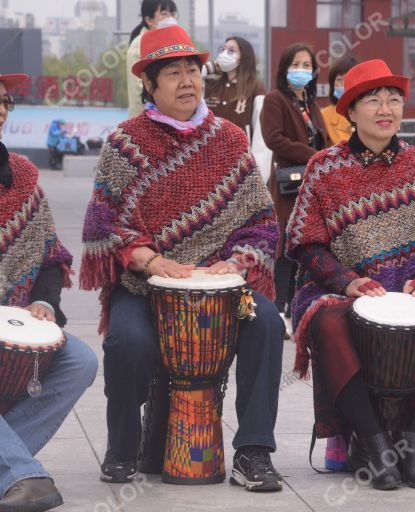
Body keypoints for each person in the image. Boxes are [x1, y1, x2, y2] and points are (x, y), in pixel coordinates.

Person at [80, 25, 285, 492]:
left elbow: (261, 221)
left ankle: (253, 452)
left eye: (193, 69)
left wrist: (236, 263)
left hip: (222, 286)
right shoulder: (124, 143)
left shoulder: (230, 140)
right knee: (125, 343)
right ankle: (121, 447)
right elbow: (101, 225)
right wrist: (149, 260)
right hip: (143, 285)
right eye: (172, 72)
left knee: (268, 324)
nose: (187, 81)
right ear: (149, 85)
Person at [287, 59, 415, 491]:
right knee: (329, 323)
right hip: (343, 290)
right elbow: (304, 242)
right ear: (351, 111)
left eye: (393, 99)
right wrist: (345, 281)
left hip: (412, 294)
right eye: (373, 99)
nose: (385, 108)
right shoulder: (323, 167)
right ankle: (373, 444)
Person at [0, 72, 98, 512]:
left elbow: (50, 255)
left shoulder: (20, 175)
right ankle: (23, 474)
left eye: (5, 102)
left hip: (15, 319)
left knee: (80, 360)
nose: (2, 109)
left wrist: (42, 301)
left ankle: (13, 466)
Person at [260, 43, 328, 319]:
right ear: (284, 68)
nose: (301, 70)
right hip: (289, 182)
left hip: (312, 184)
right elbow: (273, 138)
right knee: (285, 240)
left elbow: (323, 140)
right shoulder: (275, 99)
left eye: (307, 65)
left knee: (305, 241)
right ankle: (277, 307)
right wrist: (313, 155)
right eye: (296, 64)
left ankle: (294, 306)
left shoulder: (310, 105)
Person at [203, 36, 270, 182]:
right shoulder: (211, 86)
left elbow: (261, 136)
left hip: (240, 167)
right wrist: (211, 67)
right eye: (223, 49)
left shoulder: (255, 87)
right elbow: (192, 77)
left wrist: (258, 178)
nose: (224, 54)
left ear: (243, 57)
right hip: (208, 164)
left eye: (231, 50)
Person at [126, 0, 178, 118]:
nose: (170, 18)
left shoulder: (172, 42)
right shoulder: (138, 45)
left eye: (173, 14)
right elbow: (139, 89)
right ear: (149, 20)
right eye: (164, 14)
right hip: (147, 119)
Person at [320, 55, 358, 144]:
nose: (344, 84)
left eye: (350, 79)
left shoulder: (370, 113)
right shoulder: (323, 115)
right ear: (332, 84)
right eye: (340, 80)